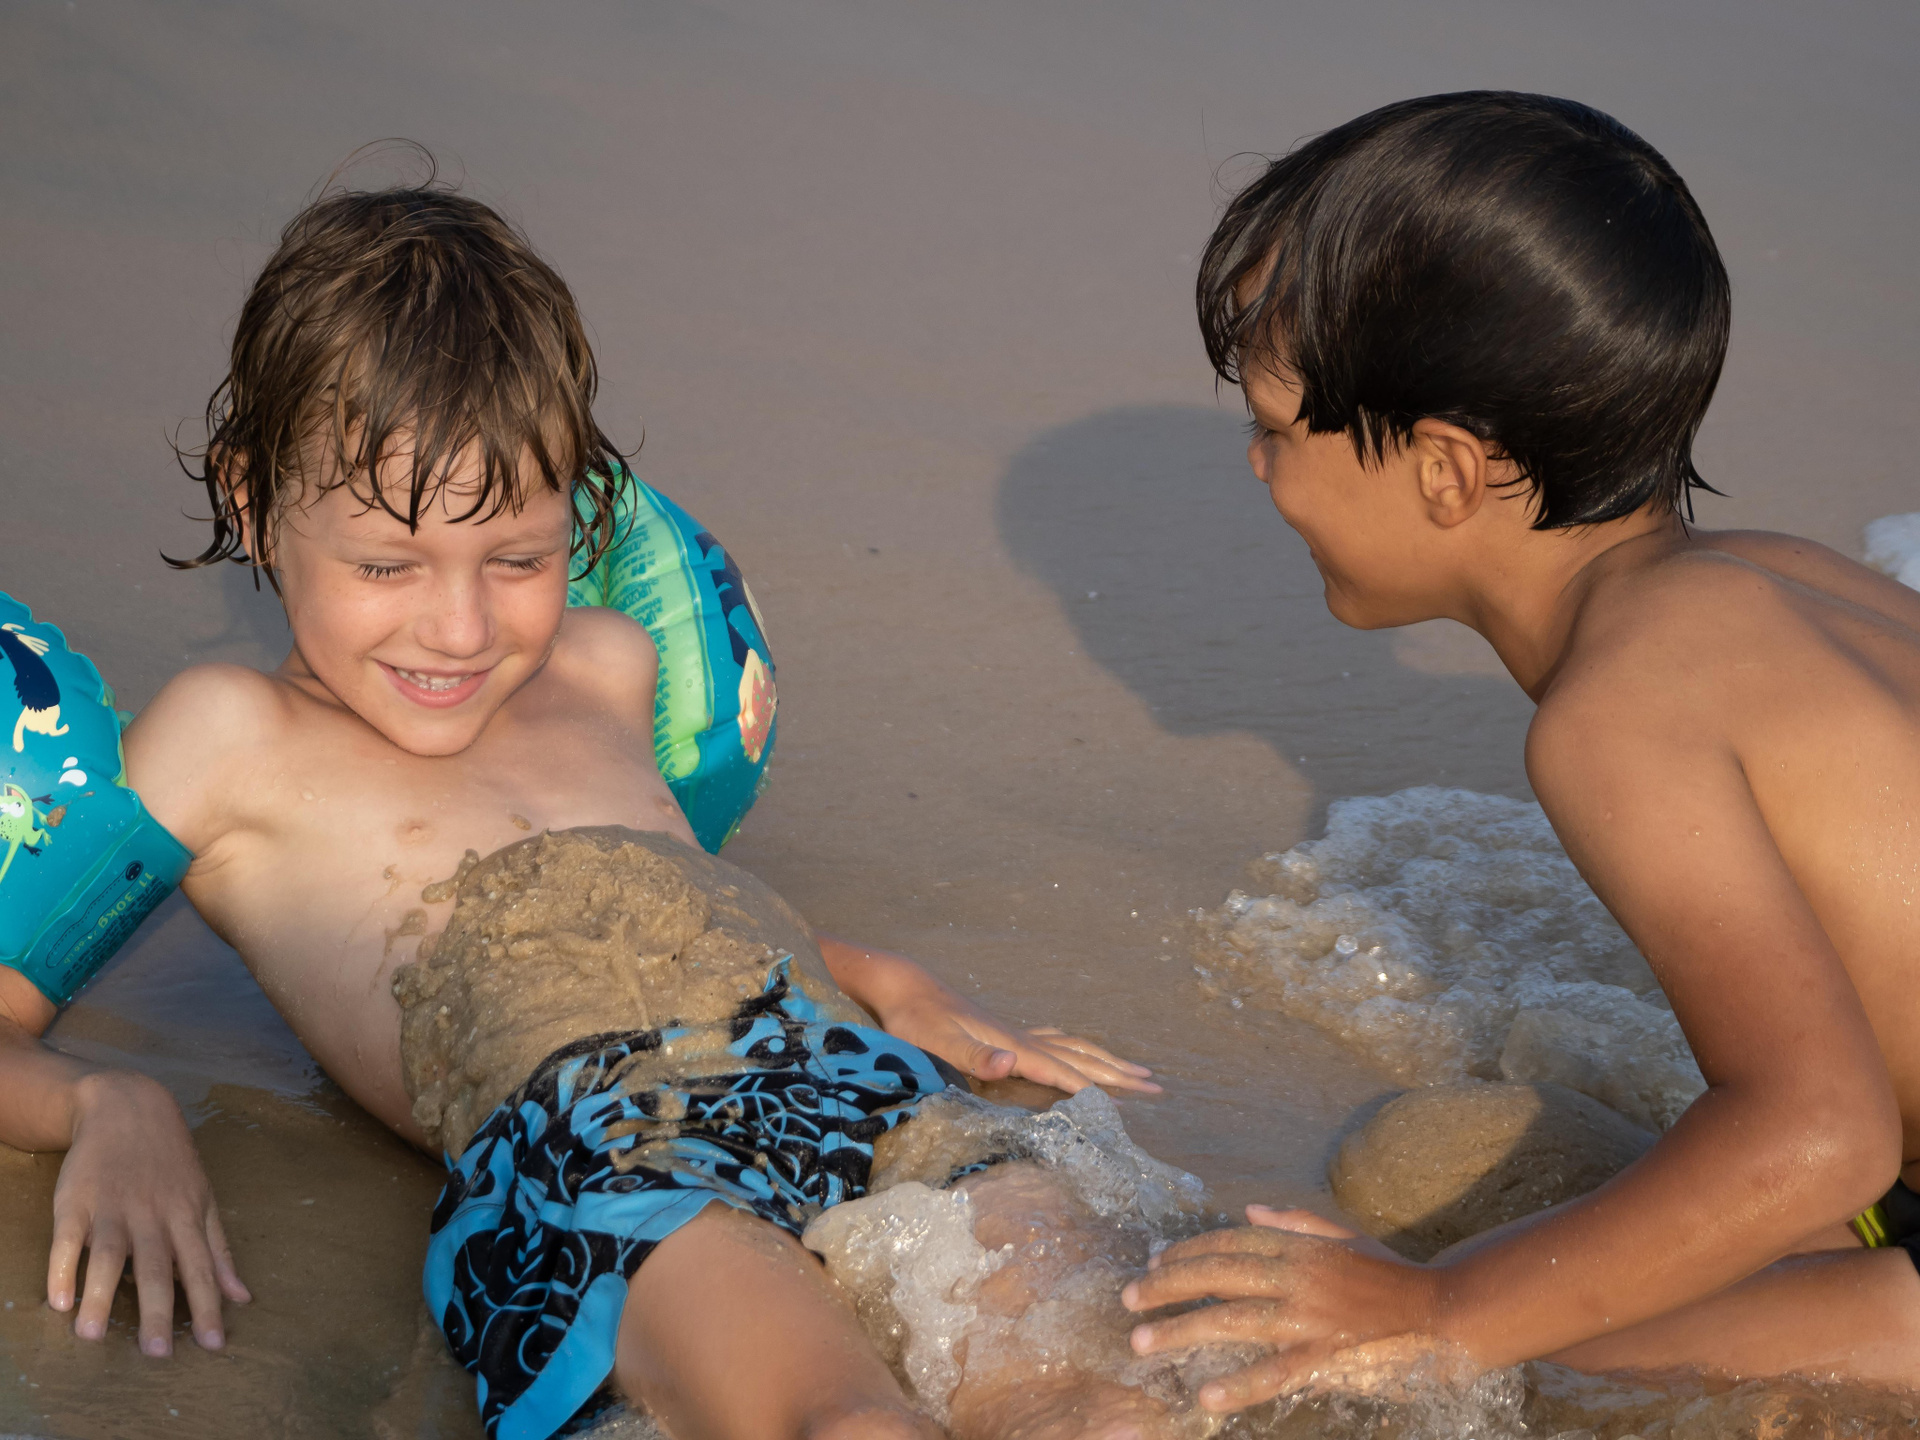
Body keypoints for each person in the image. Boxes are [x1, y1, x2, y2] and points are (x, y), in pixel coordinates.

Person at [0, 179, 1163, 1439]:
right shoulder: (229, 737)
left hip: (853, 1076)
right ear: (249, 500)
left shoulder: (607, 666)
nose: (460, 628)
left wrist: (889, 983)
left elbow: (667, 915)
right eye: (387, 564)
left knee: (1101, 1410)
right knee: (847, 1426)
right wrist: (108, 1105)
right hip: (598, 1158)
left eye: (519, 559)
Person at [1119, 89, 1920, 1411]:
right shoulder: (1784, 580)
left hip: (1875, 1190)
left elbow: (1823, 1131)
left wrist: (1443, 1311)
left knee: (1507, 1375)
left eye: (1273, 428)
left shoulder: (1615, 716)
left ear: (1444, 472)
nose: (1258, 470)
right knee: (1524, 1220)